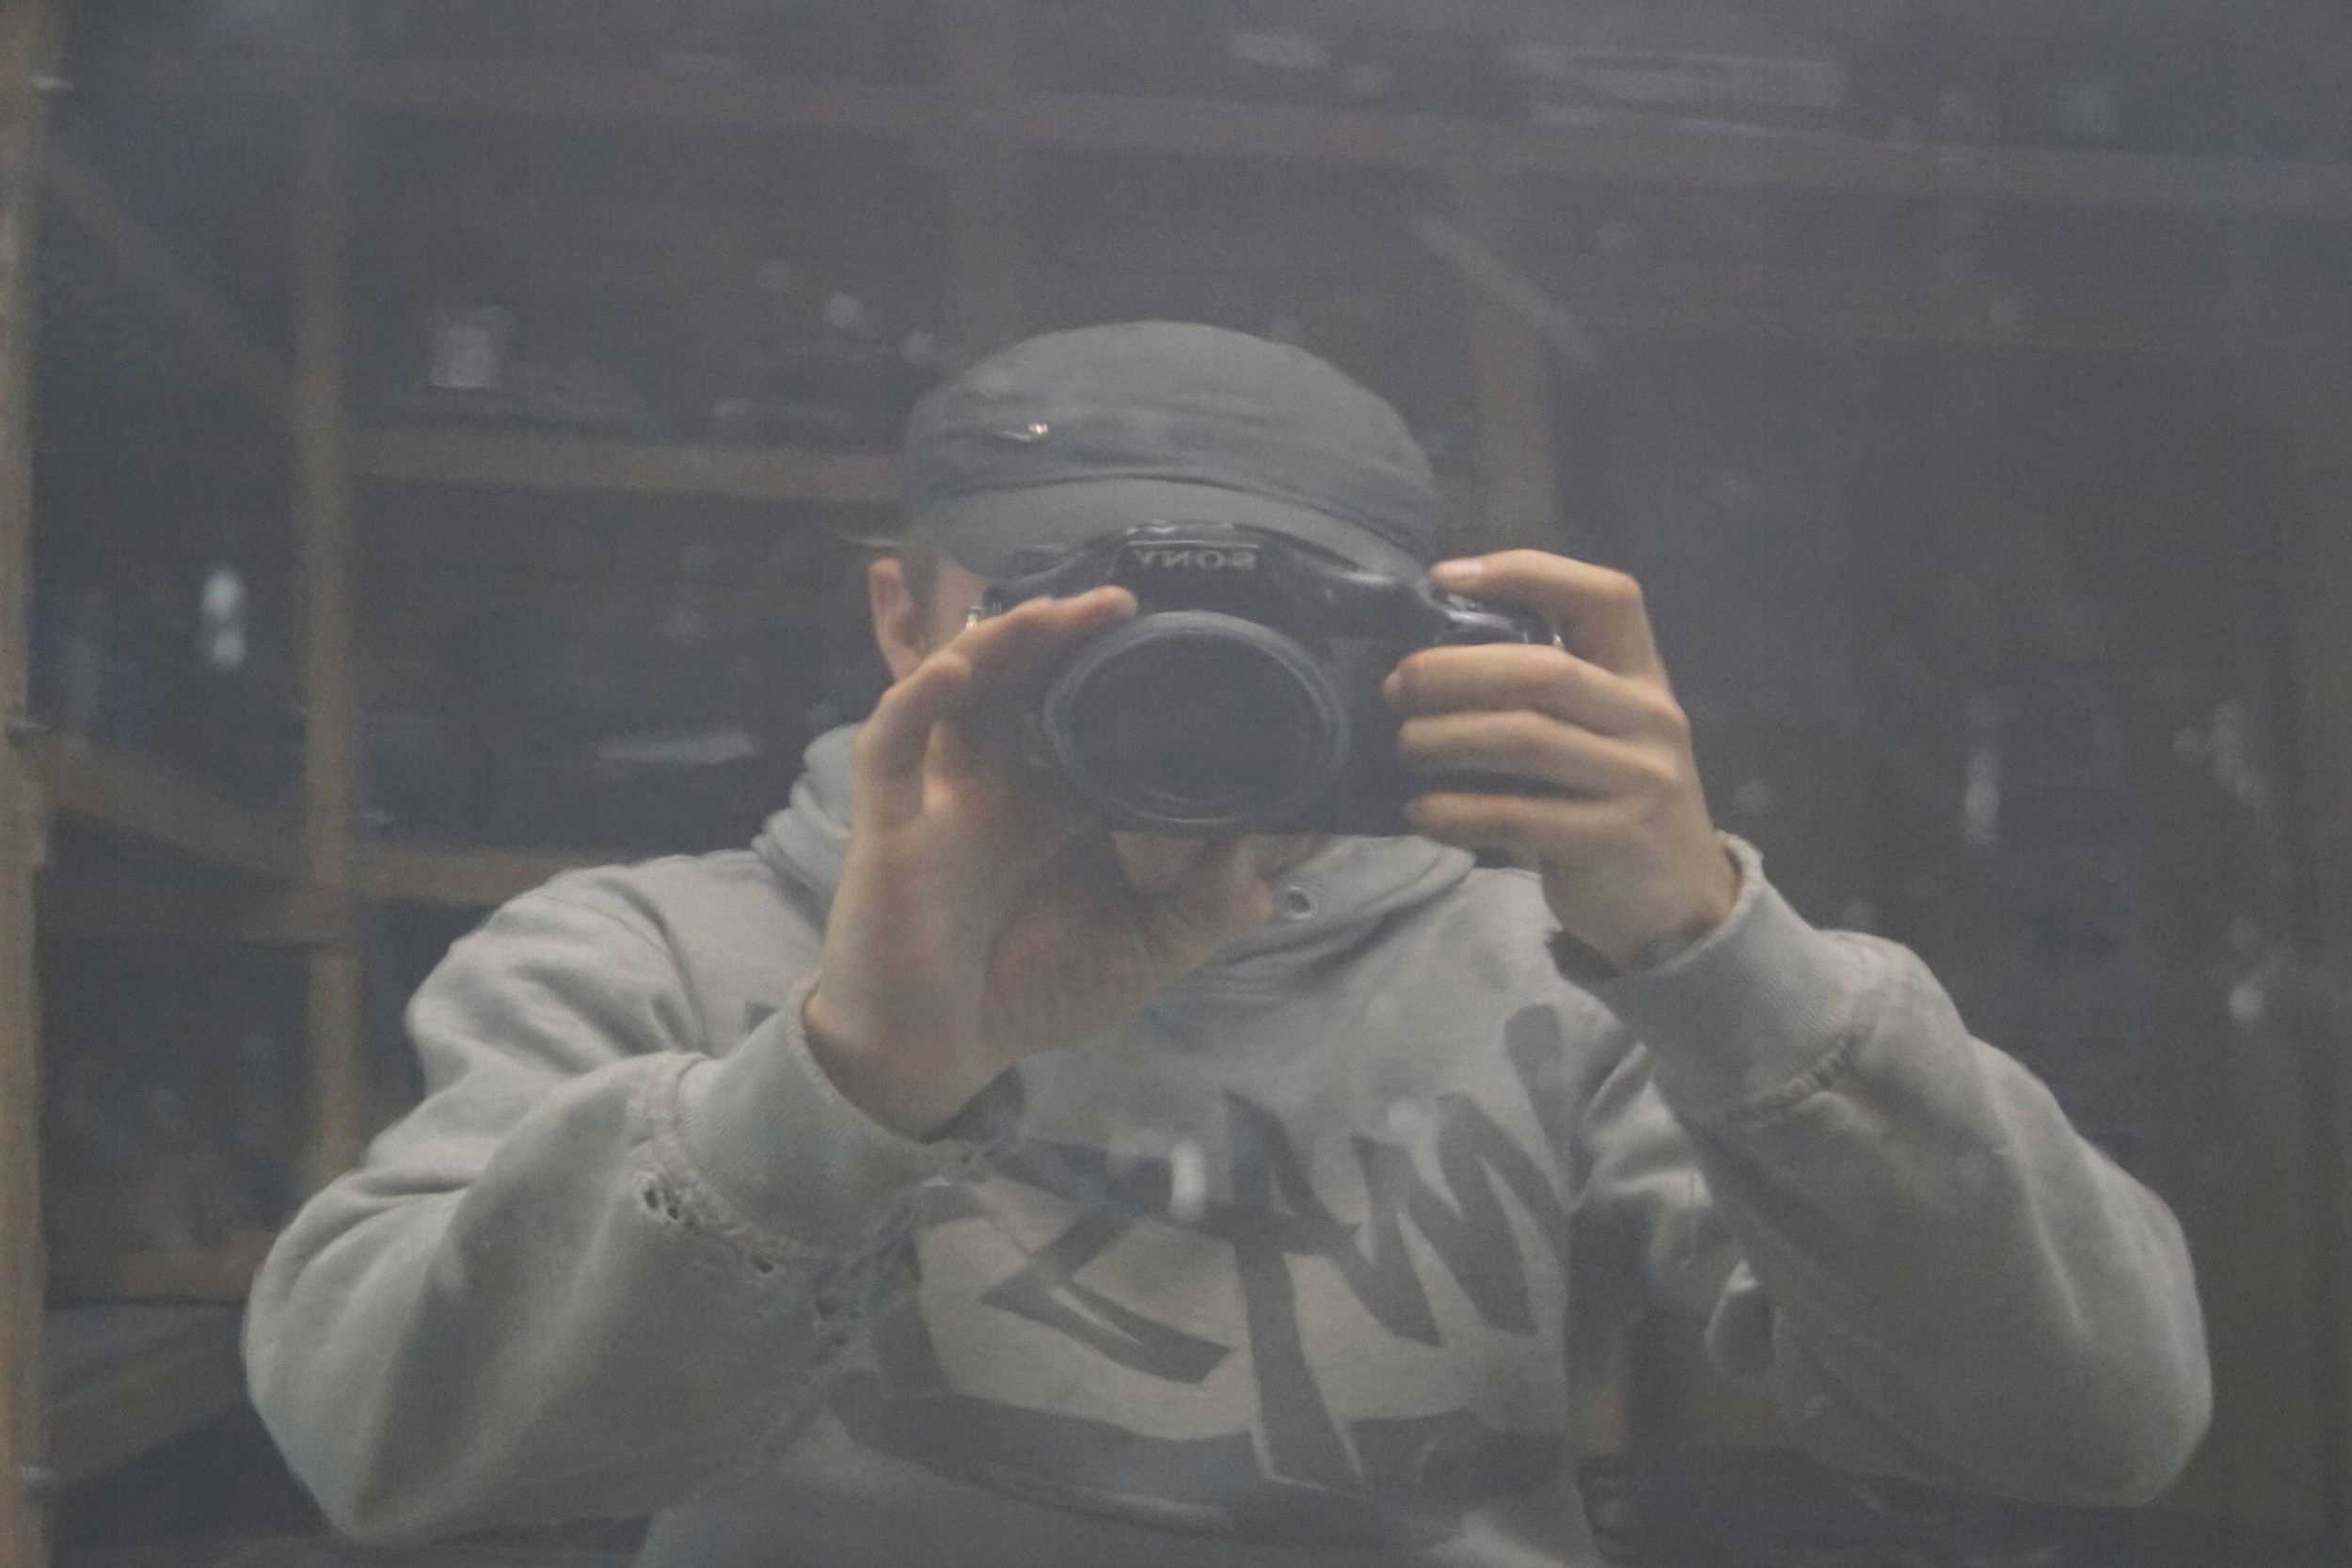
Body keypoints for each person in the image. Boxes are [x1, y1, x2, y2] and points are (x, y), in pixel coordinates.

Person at [247, 322, 2211, 1567]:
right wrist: (849, 1073)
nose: (1171, 684)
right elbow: (381, 1444)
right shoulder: (646, 954)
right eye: (1067, 609)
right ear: (899, 615)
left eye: (1263, 631)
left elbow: (2089, 1424)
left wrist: (1714, 952)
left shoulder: (1557, 969)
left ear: (1410, 647)